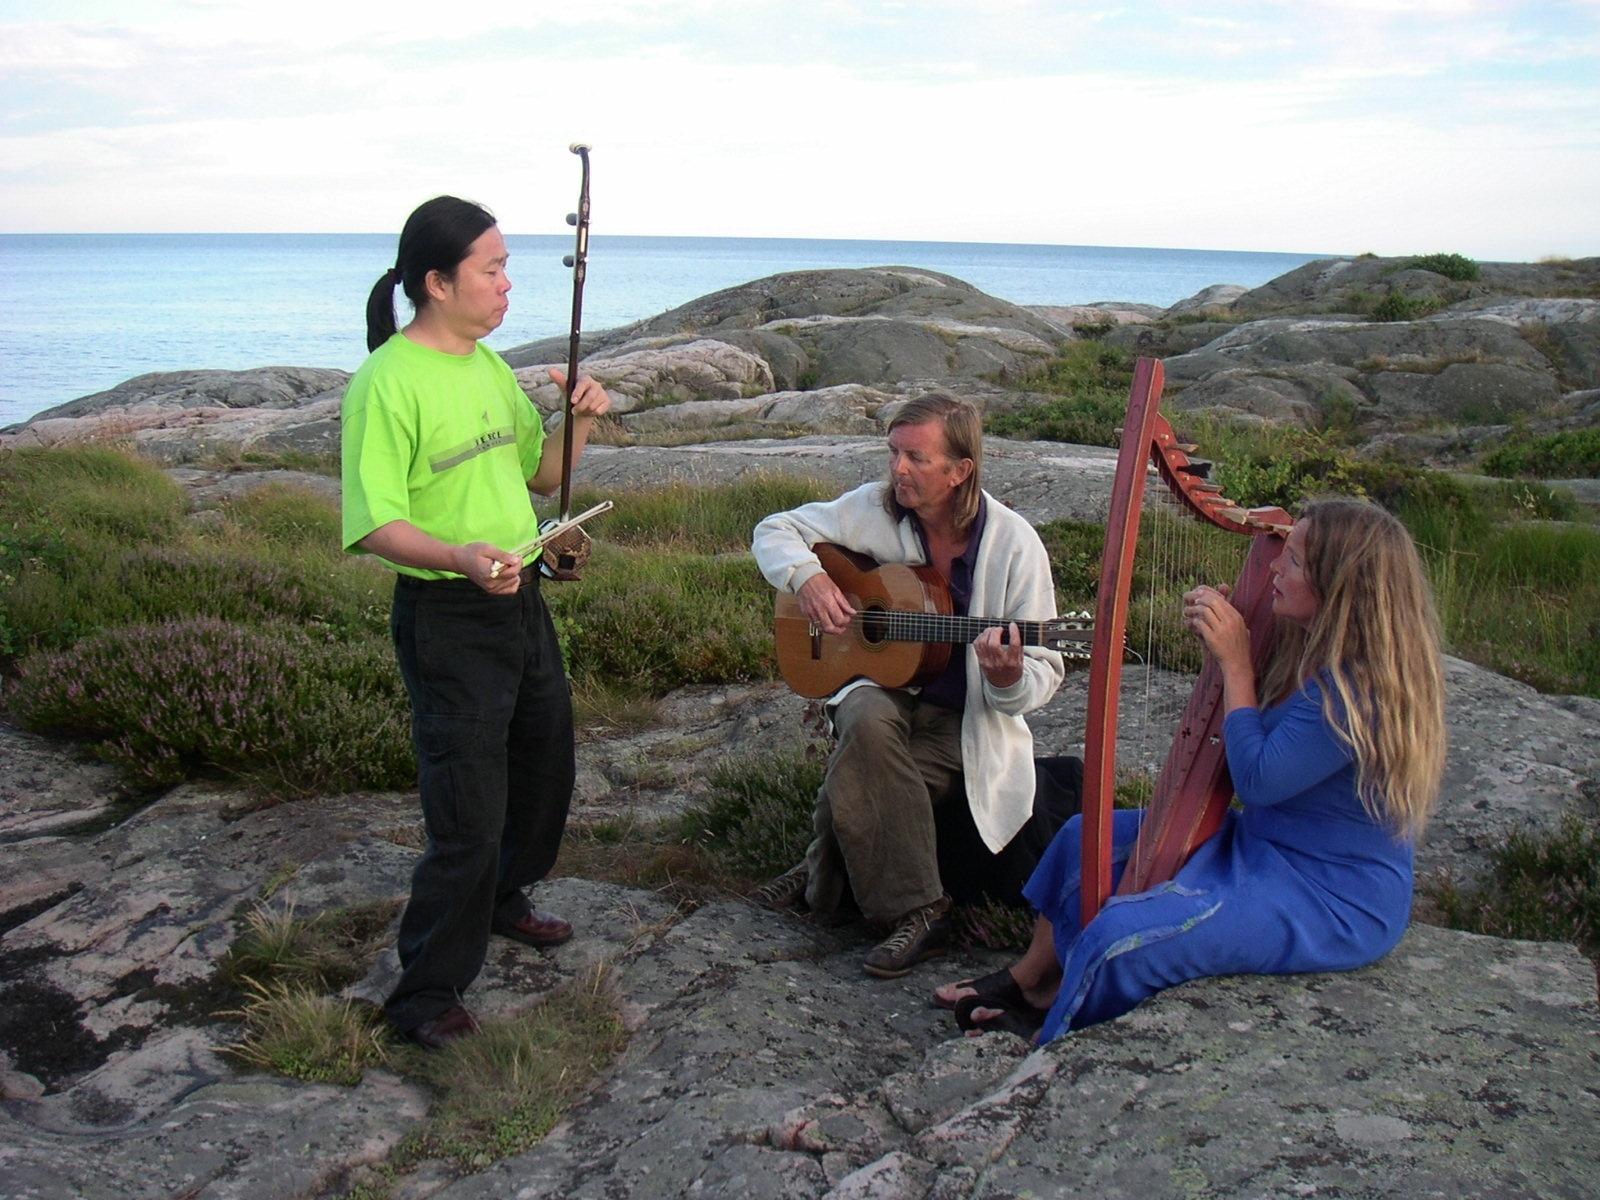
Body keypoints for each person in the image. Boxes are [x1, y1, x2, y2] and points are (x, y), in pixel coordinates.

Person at [934, 497, 1447, 1042]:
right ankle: (1032, 980)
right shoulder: (1309, 645)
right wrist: (1227, 659)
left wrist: (1236, 662)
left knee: (1123, 938)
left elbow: (1257, 780)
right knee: (1086, 835)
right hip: (1262, 848)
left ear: (1338, 584)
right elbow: (1252, 723)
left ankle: (1055, 1035)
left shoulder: (1357, 691)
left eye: (1293, 561)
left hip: (1329, 895)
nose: (1275, 567)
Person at [340, 195, 611, 1049]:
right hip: (449, 612)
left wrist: (581, 422)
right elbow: (374, 521)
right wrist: (459, 555)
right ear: (436, 282)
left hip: (519, 600)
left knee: (545, 763)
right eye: (491, 270)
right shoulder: (386, 381)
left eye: (505, 267)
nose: (506, 285)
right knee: (468, 808)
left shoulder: (489, 367)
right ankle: (423, 995)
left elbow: (542, 476)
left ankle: (505, 897)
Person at [750, 393, 1066, 978]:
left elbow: (1044, 666)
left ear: (959, 470)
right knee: (865, 715)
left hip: (963, 721)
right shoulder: (872, 507)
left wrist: (1008, 678)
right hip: (888, 696)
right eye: (893, 453)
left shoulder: (1015, 543)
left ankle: (818, 870)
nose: (897, 469)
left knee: (861, 780)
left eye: (916, 458)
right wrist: (809, 578)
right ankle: (923, 911)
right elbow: (774, 528)